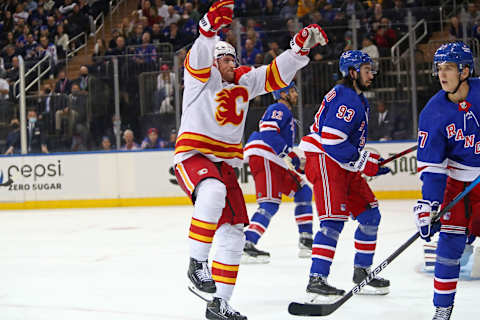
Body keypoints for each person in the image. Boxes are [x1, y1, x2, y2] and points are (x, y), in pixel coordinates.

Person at [173, 1, 328, 319]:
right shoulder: (200, 78)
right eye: (224, 58)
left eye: (233, 58)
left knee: (234, 232)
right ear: (214, 63)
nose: (231, 63)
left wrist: (297, 50)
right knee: (213, 192)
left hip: (226, 164)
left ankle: (220, 303)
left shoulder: (242, 82)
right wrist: (208, 29)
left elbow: (273, 74)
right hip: (195, 155)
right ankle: (196, 262)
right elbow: (201, 54)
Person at [298, 50, 391, 301]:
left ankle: (362, 271)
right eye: (365, 69)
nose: (371, 74)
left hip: (343, 164)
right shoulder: (347, 97)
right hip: (327, 161)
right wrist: (363, 162)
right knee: (332, 222)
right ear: (352, 72)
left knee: (370, 215)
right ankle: (317, 279)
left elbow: (346, 143)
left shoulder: (357, 98)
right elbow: (331, 139)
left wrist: (368, 162)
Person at [413, 41, 480, 320]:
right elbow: (432, 168)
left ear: (465, 71)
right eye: (439, 68)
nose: (442, 74)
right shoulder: (432, 113)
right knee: (449, 245)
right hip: (456, 182)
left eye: (449, 68)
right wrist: (429, 205)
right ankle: (442, 310)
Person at [242, 82, 313, 263]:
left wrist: (295, 161)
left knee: (303, 190)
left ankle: (306, 241)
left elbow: (280, 144)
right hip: (265, 155)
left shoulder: (285, 112)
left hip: (274, 159)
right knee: (269, 203)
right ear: (282, 94)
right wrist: (290, 155)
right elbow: (268, 132)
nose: (295, 93)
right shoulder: (278, 108)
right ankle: (246, 245)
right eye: (292, 90)